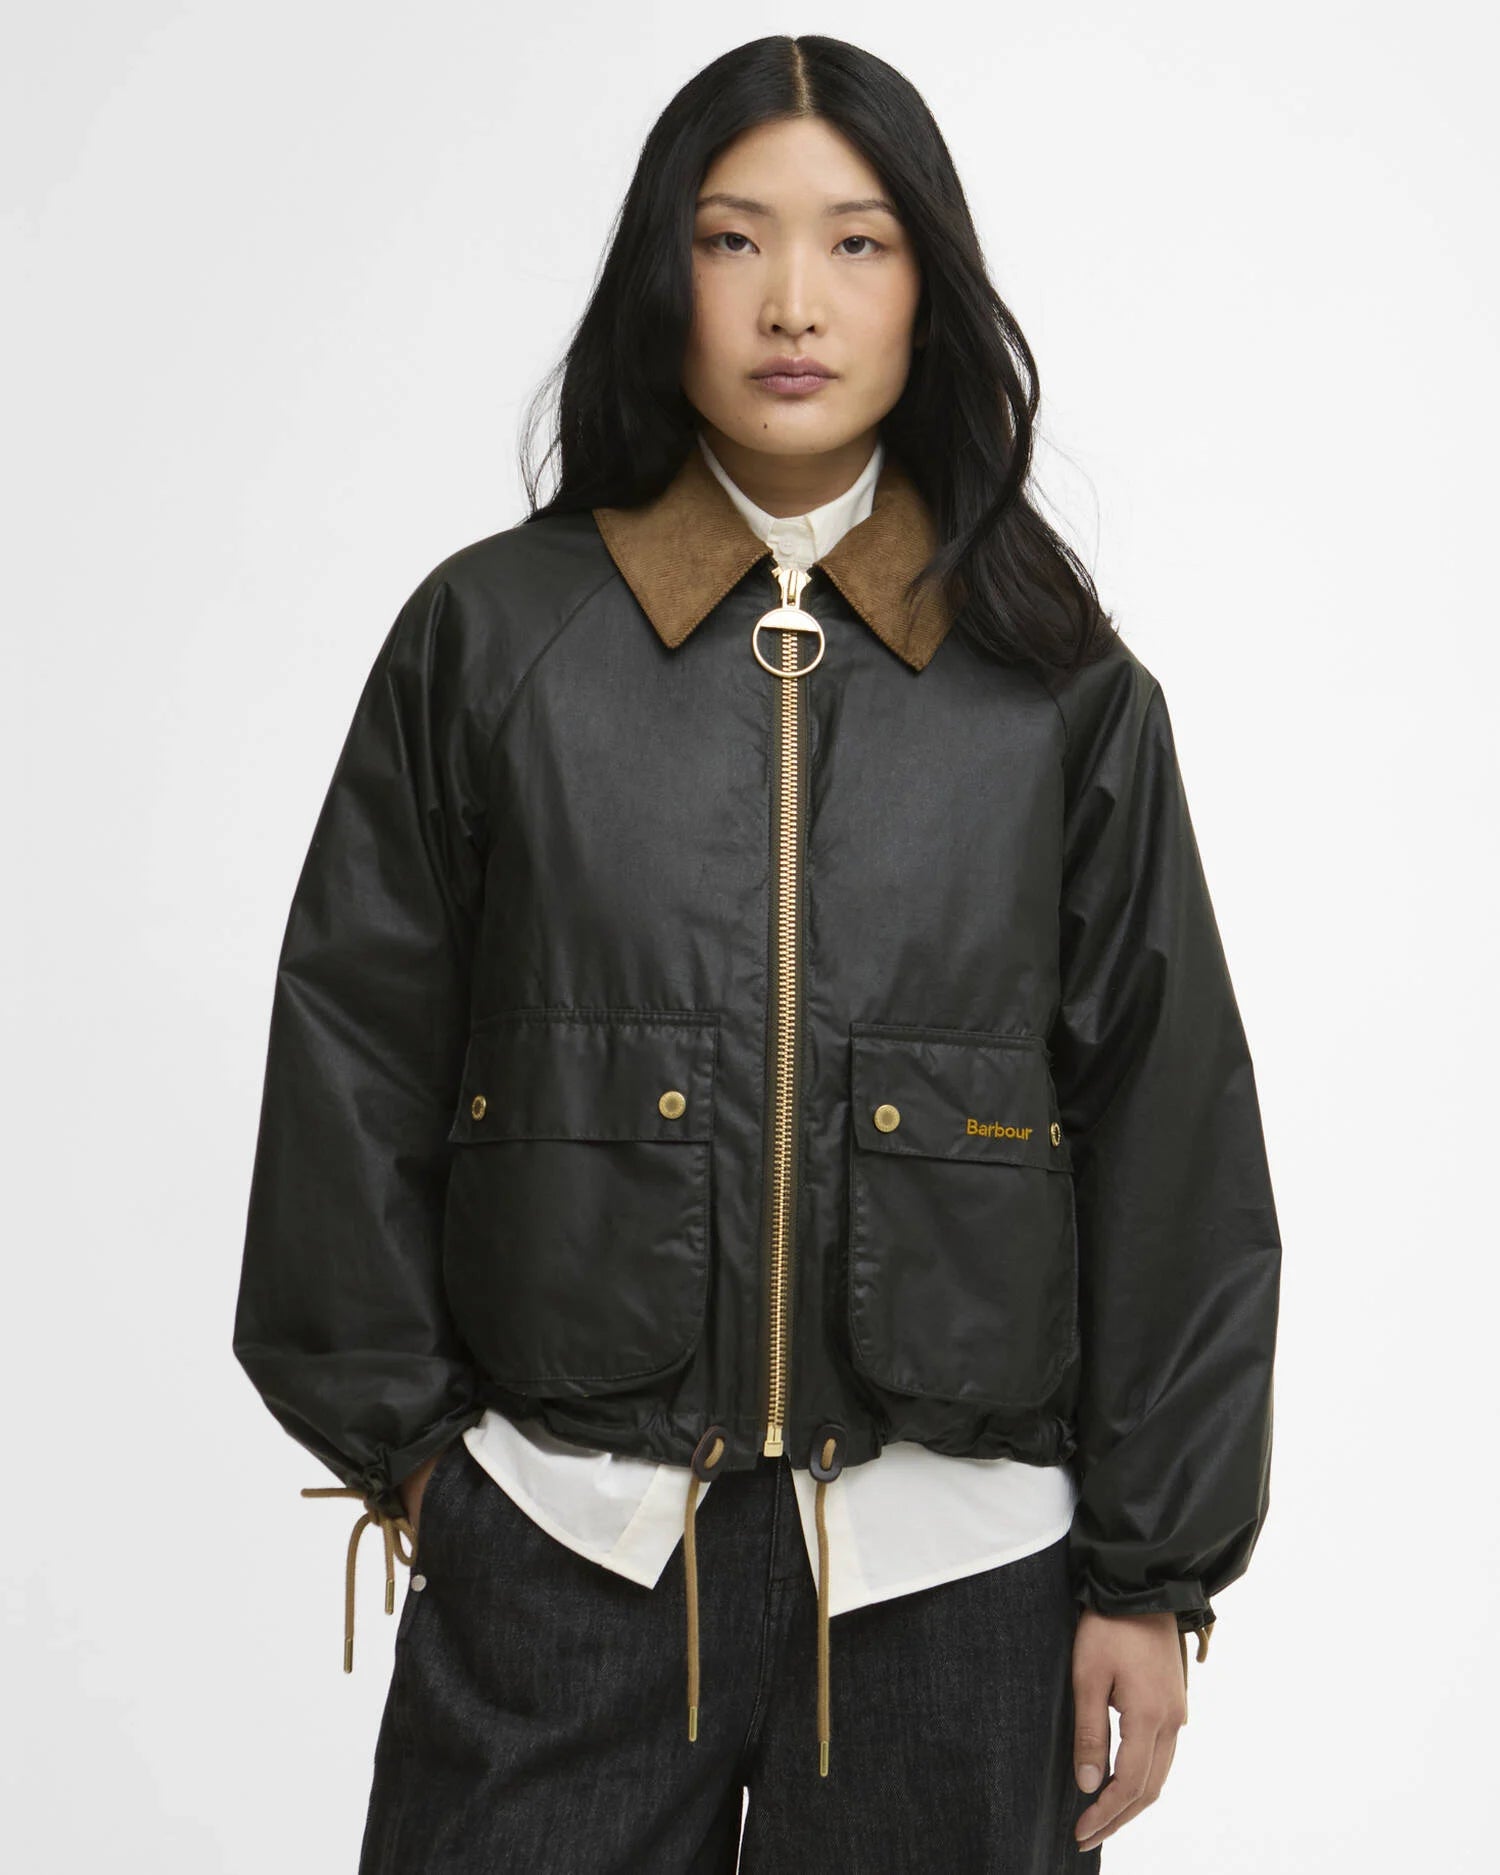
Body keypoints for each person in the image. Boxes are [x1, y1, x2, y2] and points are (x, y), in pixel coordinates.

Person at [232, 33, 1282, 1875]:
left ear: (930, 289)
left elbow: (1167, 1130)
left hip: (959, 1587)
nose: (794, 301)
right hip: (568, 1556)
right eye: (735, 239)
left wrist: (1151, 1574)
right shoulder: (493, 640)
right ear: (666, 273)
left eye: (857, 243)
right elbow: (353, 1060)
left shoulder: (1058, 689)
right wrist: (434, 1475)